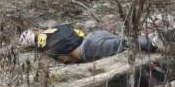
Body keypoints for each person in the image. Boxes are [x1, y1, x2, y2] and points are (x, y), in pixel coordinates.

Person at [19, 23, 159, 63]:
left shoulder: (47, 50)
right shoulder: (56, 27)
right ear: (36, 29)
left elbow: (67, 59)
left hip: (86, 50)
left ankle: (151, 43)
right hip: (93, 35)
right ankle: (148, 36)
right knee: (122, 40)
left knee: (122, 45)